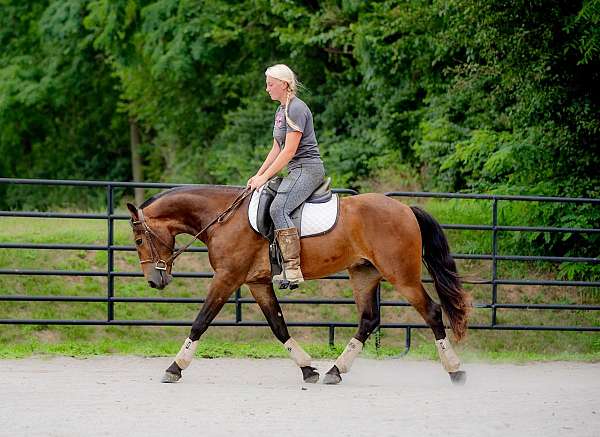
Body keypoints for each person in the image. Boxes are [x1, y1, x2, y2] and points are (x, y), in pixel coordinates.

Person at [247, 64, 326, 286]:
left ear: (284, 84)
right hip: (295, 169)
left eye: (270, 84)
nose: (267, 89)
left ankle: (292, 268)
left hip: (308, 169)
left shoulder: (297, 109)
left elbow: (289, 151)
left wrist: (265, 178)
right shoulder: (281, 111)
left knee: (278, 207)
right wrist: (258, 175)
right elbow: (276, 148)